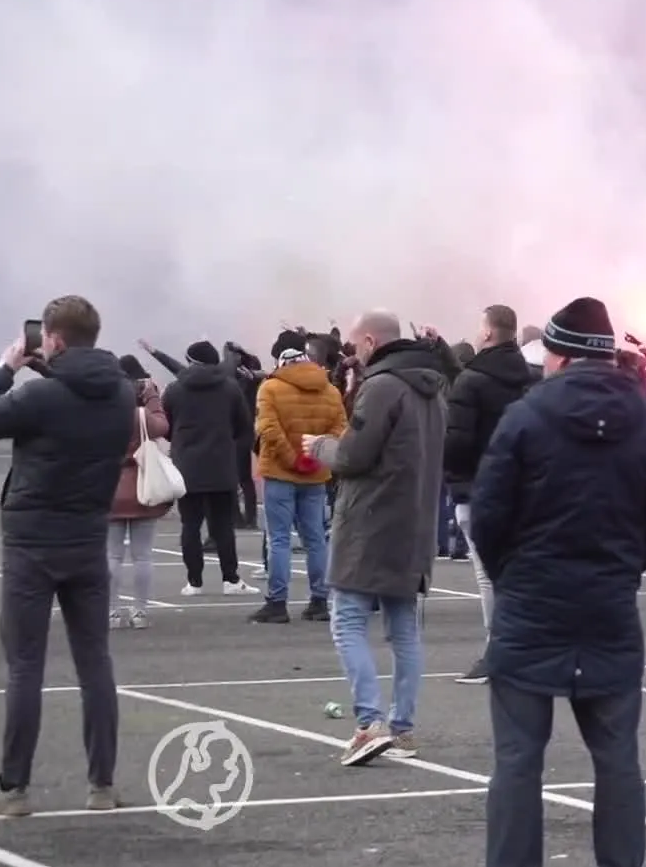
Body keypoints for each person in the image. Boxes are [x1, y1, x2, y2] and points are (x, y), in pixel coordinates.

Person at [471, 297, 646, 867]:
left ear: (559, 356)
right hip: (608, 606)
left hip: (531, 604)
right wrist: (623, 565)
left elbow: (487, 516)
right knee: (617, 758)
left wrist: (514, 573)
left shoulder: (526, 416)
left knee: (518, 759)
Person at [0, 297, 134, 816]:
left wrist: (4, 369)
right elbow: (80, 395)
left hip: (32, 541)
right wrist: (52, 372)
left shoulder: (40, 397)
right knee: (95, 662)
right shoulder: (119, 393)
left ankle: (14, 787)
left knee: (25, 667)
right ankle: (103, 785)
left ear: (54, 339)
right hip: (89, 536)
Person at [299, 311, 446, 766]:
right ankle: (402, 730)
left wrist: (321, 446)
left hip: (369, 522)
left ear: (368, 340)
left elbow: (355, 455)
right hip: (416, 522)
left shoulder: (380, 386)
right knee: (404, 630)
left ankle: (369, 723)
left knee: (347, 620)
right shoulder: (435, 390)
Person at [442, 304, 535, 684]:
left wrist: (449, 468)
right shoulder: (531, 378)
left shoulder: (472, 381)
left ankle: (498, 652)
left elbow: (457, 443)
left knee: (488, 576)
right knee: (517, 572)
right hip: (523, 487)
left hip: (477, 489)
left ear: (488, 333)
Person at [251, 329, 348, 623]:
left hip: (280, 472)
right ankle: (320, 601)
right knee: (316, 538)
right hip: (316, 474)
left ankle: (277, 603)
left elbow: (268, 430)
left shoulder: (270, 388)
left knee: (279, 539)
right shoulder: (330, 389)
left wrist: (292, 458)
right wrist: (315, 454)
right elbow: (340, 430)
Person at [163, 341, 255, 597]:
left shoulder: (174, 389)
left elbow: (167, 427)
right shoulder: (231, 388)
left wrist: (182, 442)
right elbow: (243, 426)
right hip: (221, 464)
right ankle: (231, 579)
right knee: (223, 525)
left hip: (187, 467)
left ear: (191, 361)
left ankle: (194, 582)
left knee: (190, 525)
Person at [108, 356, 171, 630]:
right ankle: (140, 611)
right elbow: (163, 426)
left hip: (109, 488)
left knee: (111, 556)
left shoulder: (102, 414)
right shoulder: (143, 416)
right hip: (144, 487)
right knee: (143, 555)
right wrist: (153, 396)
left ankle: (111, 612)